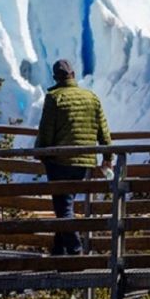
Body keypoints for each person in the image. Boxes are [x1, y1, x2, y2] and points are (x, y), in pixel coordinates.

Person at [35, 59, 112, 256]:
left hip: (60, 162)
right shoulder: (91, 97)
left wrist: (40, 153)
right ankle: (58, 253)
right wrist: (107, 157)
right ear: (74, 74)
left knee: (63, 208)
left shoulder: (54, 98)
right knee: (65, 205)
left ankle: (76, 251)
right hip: (85, 162)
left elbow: (46, 131)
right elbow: (104, 132)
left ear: (55, 77)